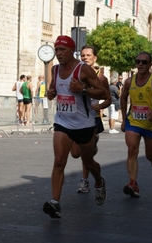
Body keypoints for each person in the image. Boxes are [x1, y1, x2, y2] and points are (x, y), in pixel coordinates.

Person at [43, 36, 107, 218]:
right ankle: (55, 203)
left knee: (88, 162)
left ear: (72, 51)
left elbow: (102, 92)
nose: (58, 53)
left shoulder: (83, 69)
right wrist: (50, 93)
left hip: (84, 124)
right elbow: (52, 92)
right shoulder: (55, 70)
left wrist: (83, 90)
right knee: (59, 161)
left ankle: (99, 182)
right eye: (56, 50)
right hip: (63, 121)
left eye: (62, 50)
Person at [120, 52, 152, 197]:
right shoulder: (129, 82)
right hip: (133, 121)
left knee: (150, 156)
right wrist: (123, 119)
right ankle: (133, 183)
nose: (140, 64)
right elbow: (123, 98)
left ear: (149, 65)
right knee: (132, 150)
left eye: (143, 62)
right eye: (138, 61)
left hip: (150, 123)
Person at [71, 45, 111, 194]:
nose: (85, 58)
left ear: (95, 58)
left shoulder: (101, 78)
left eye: (88, 55)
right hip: (76, 117)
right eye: (83, 55)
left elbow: (108, 99)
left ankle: (85, 180)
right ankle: (92, 148)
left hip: (92, 119)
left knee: (85, 153)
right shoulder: (75, 75)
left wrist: (99, 106)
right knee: (75, 153)